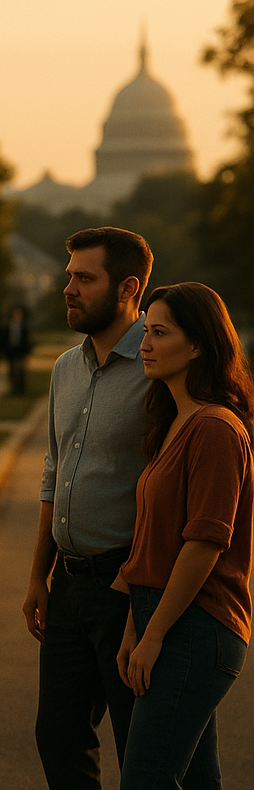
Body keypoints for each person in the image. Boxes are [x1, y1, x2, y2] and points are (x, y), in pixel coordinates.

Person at [22, 227, 154, 789]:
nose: (68, 287)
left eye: (84, 277)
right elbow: (54, 473)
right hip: (69, 585)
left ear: (128, 287)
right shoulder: (64, 369)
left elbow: (169, 492)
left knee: (138, 745)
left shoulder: (160, 367)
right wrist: (37, 576)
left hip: (129, 585)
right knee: (58, 736)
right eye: (68, 275)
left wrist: (137, 594)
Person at [113, 283, 253, 789]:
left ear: (198, 345)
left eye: (160, 333)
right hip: (164, 619)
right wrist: (135, 626)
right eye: (145, 331)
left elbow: (204, 545)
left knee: (145, 780)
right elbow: (152, 542)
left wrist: (153, 636)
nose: (145, 344)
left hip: (197, 627)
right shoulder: (175, 422)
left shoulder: (216, 428)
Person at [5, 305, 33, 396]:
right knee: (12, 371)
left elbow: (28, 341)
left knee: (21, 372)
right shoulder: (9, 326)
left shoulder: (24, 327)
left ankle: (21, 391)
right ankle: (13, 389)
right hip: (12, 352)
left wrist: (26, 353)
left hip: (21, 352)